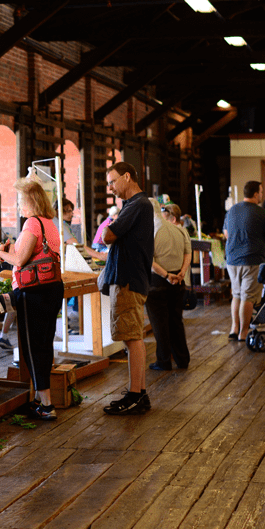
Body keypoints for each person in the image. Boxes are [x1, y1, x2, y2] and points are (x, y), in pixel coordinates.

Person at [0, 177, 64, 420]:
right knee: (43, 344)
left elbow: (18, 260)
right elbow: (19, 252)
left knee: (33, 348)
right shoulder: (49, 224)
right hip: (51, 288)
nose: (19, 206)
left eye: (21, 201)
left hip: (34, 293)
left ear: (31, 201)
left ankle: (46, 404)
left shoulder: (32, 223)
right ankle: (42, 400)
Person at [98, 162, 155, 416]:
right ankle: (138, 393)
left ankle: (135, 395)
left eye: (112, 181)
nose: (110, 188)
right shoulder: (134, 206)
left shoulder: (138, 204)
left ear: (127, 176)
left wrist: (110, 226)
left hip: (129, 280)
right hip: (130, 278)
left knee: (132, 338)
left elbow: (106, 236)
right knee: (133, 337)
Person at [223, 180, 265, 342]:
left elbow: (226, 233)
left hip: (232, 260)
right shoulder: (261, 213)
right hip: (252, 259)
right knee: (248, 297)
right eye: (260, 191)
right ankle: (243, 333)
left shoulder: (232, 211)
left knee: (237, 294)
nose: (262, 195)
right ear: (255, 194)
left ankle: (234, 328)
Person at [146, 199, 192, 371]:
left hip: (157, 282)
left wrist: (166, 275)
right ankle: (182, 359)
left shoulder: (150, 231)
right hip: (178, 280)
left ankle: (163, 360)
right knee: (176, 320)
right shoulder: (179, 229)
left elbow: (148, 260)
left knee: (160, 324)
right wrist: (181, 272)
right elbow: (188, 252)